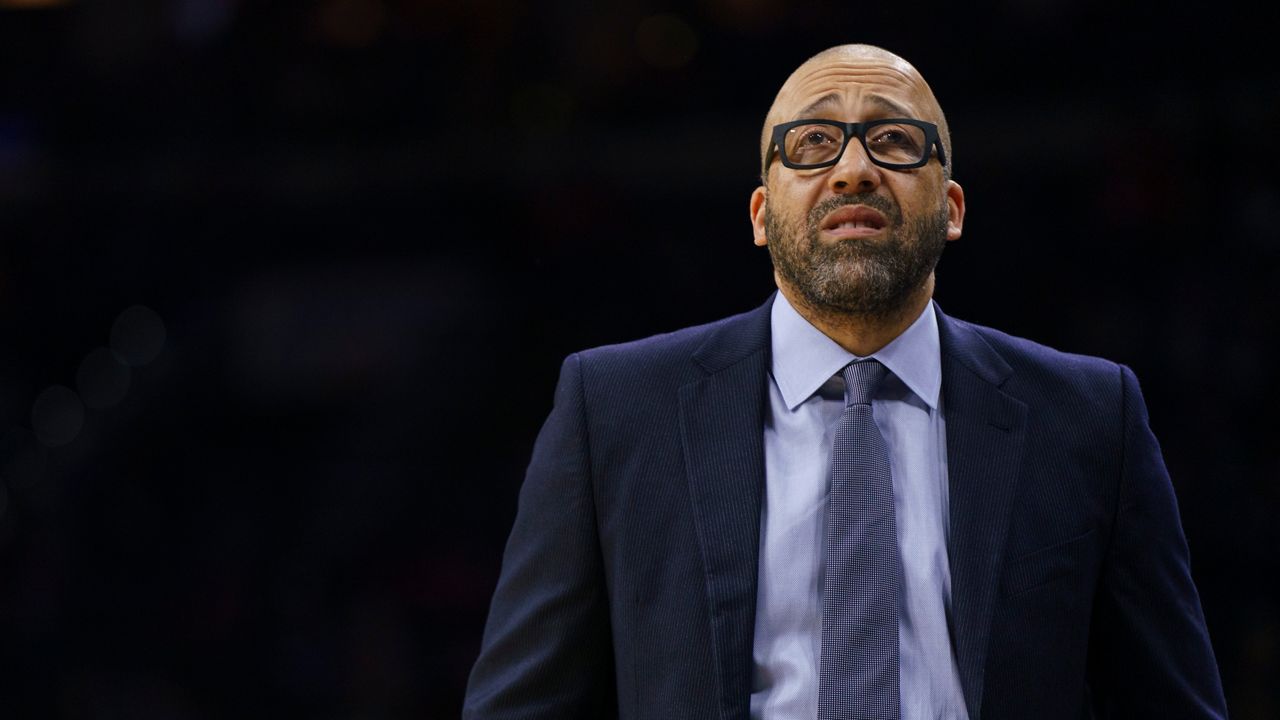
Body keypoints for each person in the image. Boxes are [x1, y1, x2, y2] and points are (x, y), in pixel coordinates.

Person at [463, 45, 1228, 719]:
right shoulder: (615, 411)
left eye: (895, 140)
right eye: (814, 142)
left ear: (952, 209)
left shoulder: (1092, 418)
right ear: (762, 213)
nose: (855, 168)